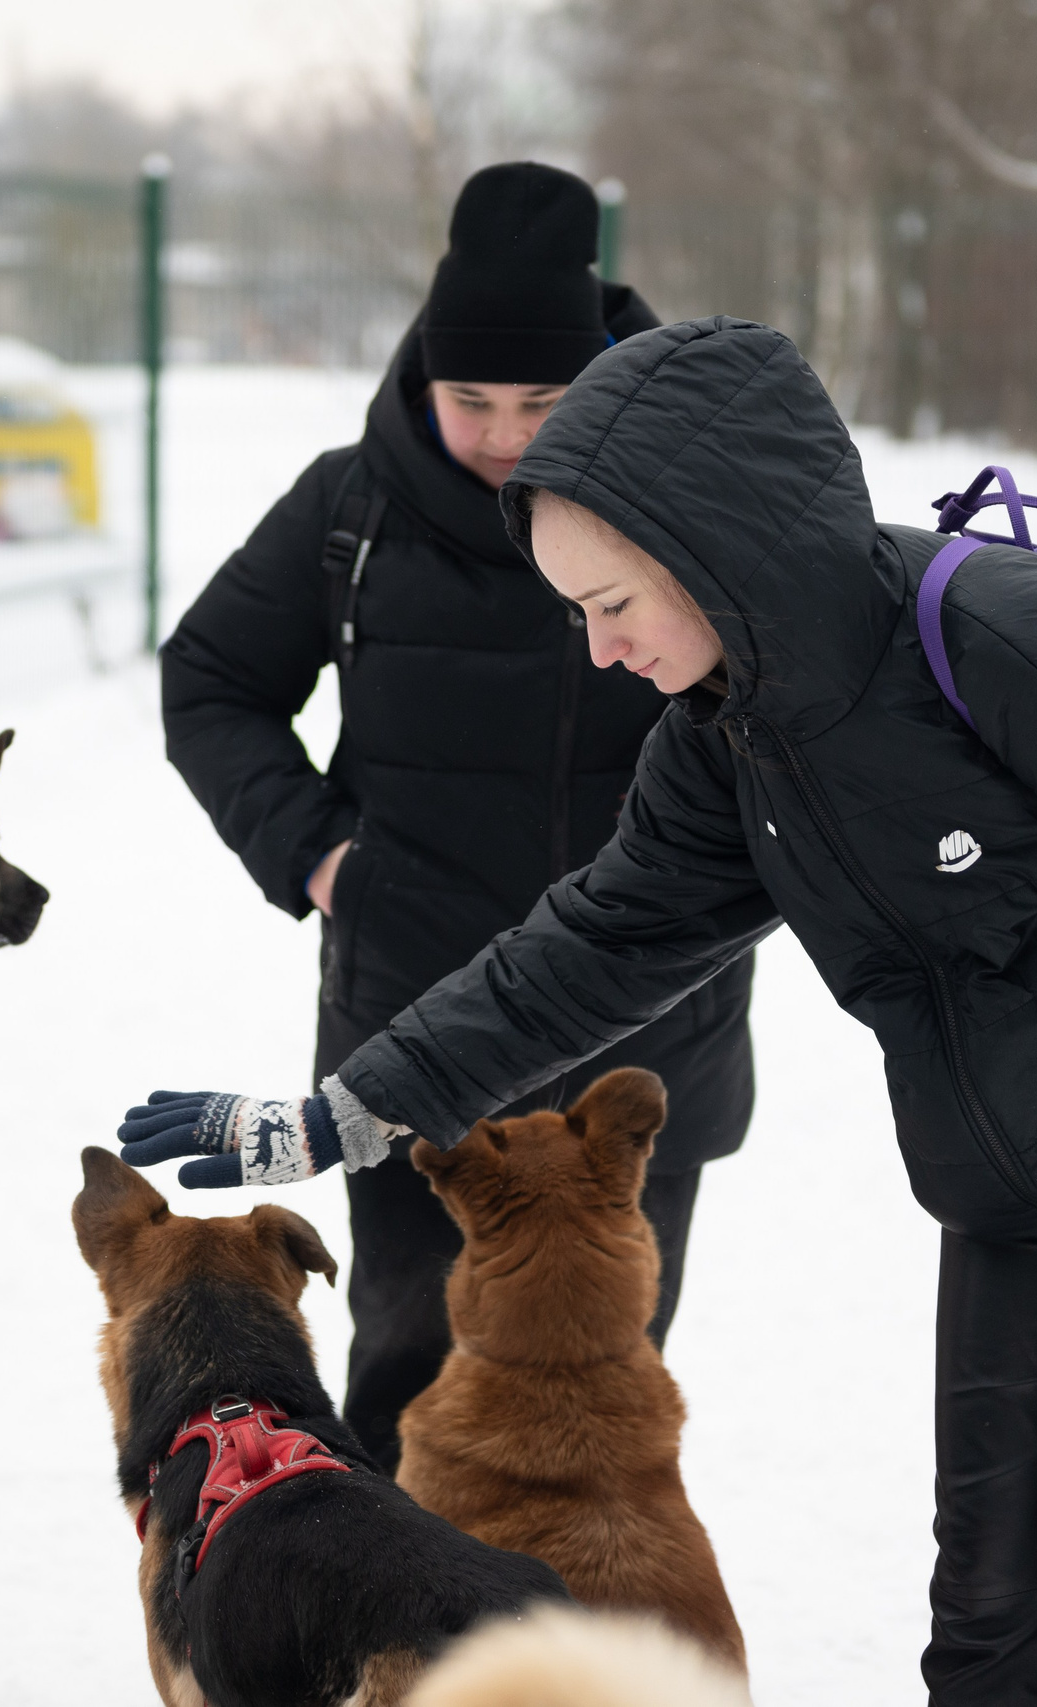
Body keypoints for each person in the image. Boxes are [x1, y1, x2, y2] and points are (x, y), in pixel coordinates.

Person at [121, 316, 1037, 1705]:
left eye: (613, 605)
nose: (599, 651)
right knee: (984, 1608)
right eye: (578, 615)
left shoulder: (1007, 642)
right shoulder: (730, 736)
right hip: (1012, 1185)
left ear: (713, 551)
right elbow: (593, 943)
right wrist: (347, 1111)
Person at [155, 163, 756, 1472]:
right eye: (470, 399)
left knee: (599, 1393)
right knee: (412, 1386)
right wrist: (322, 857)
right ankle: (389, 1606)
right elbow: (209, 681)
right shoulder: (350, 509)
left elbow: (785, 701)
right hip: (411, 1019)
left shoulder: (692, 509)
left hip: (641, 1037)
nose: (501, 434)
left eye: (543, 403)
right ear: (425, 369)